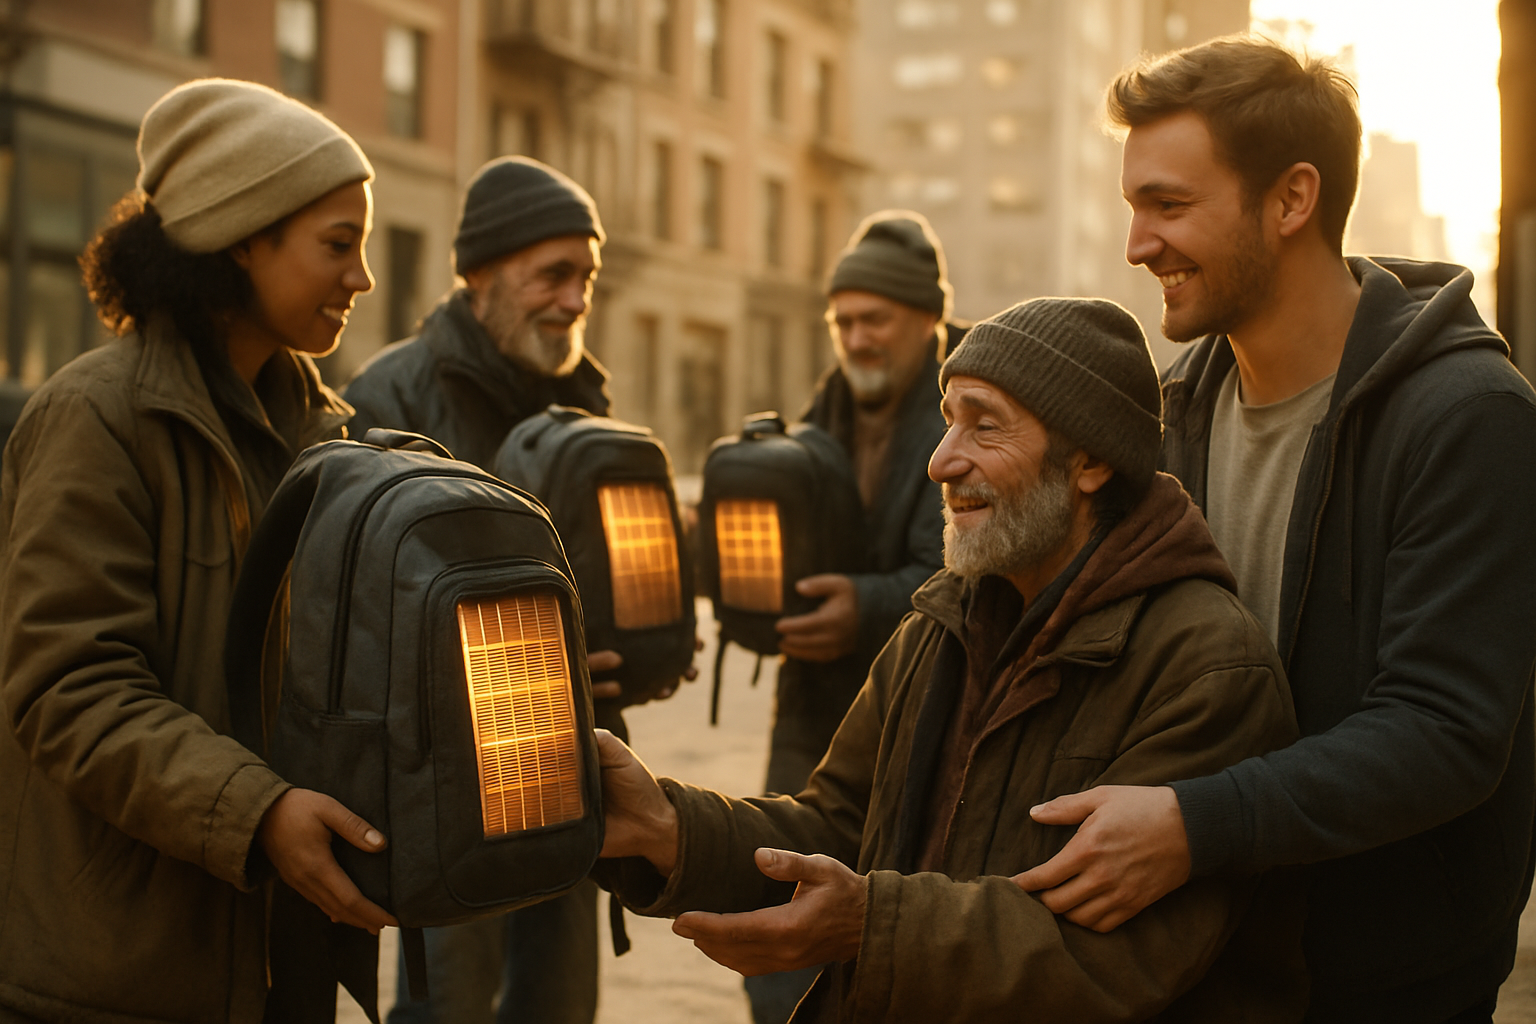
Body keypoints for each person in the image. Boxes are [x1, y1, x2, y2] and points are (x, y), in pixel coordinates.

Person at [594, 296, 1306, 1023]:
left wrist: (872, 925)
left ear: (1089, 460)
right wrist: (670, 828)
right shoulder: (943, 621)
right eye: (948, 420)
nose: (941, 461)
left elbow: (1110, 960)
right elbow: (839, 826)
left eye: (985, 425)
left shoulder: (1208, 666)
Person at [1013, 37, 1536, 1024]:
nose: (1137, 243)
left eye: (1168, 205)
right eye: (1134, 207)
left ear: (1292, 200)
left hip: (1384, 983)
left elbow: (1445, 729)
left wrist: (1190, 825)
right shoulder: (1171, 415)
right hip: (1194, 963)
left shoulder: (1471, 418)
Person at [0, 79, 388, 1023]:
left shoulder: (326, 437)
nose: (363, 279)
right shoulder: (97, 416)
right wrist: (258, 815)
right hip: (115, 974)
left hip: (277, 962)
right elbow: (67, 689)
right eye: (339, 245)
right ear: (240, 236)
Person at [346, 156, 618, 1024]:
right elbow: (349, 601)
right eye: (555, 274)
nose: (576, 299)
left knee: (559, 1002)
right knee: (448, 1007)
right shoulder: (386, 397)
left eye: (587, 277)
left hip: (573, 761)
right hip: (448, 783)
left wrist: (622, 653)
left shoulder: (587, 399)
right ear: (480, 275)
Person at [746, 210, 954, 1022]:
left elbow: (962, 567)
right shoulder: (819, 412)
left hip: (919, 707)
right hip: (809, 707)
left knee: (889, 914)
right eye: (844, 322)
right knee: (769, 896)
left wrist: (861, 608)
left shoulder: (963, 411)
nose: (859, 339)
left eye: (877, 321)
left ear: (927, 321)